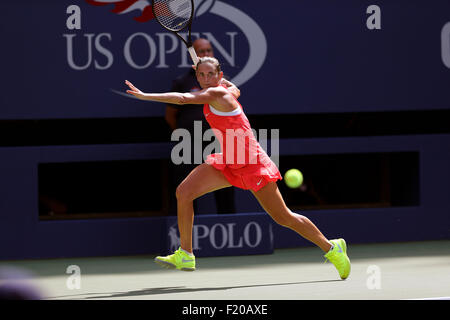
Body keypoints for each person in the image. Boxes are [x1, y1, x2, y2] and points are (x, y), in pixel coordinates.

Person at [125, 57, 351, 280]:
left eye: (210, 74)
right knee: (184, 192)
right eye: (201, 75)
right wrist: (218, 78)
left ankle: (331, 248)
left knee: (283, 217)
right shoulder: (226, 89)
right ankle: (186, 253)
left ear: (219, 75)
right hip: (229, 162)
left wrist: (146, 96)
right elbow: (236, 89)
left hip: (252, 163)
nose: (205, 79)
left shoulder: (217, 93)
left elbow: (183, 99)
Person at [165, 38, 236, 215]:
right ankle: (189, 236)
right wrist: (186, 135)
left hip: (218, 143)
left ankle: (228, 227)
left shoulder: (222, 83)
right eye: (201, 52)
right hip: (189, 144)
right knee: (187, 191)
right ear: (193, 56)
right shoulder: (181, 82)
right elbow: (170, 115)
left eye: (208, 51)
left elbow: (234, 100)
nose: (205, 54)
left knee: (225, 189)